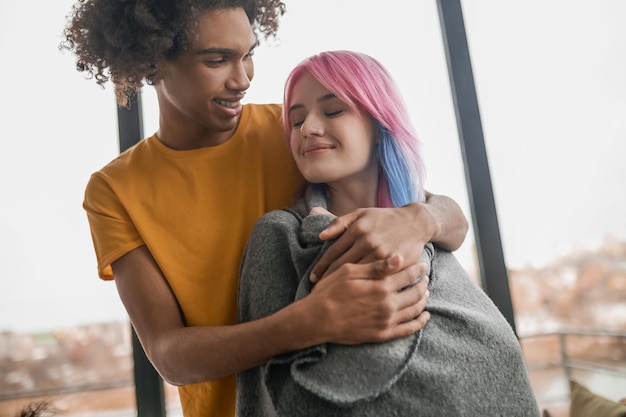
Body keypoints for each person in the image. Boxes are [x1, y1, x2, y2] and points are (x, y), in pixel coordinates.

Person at [60, 1, 468, 416]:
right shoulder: (114, 190)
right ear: (152, 60)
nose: (242, 79)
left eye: (248, 55)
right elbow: (169, 355)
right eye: (218, 60)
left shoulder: (293, 132)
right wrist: (310, 321)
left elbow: (444, 215)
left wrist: (420, 219)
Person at [236, 50, 540, 416]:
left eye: (333, 111)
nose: (308, 129)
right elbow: (261, 391)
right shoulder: (280, 235)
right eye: (297, 120)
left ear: (379, 127)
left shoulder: (423, 223)